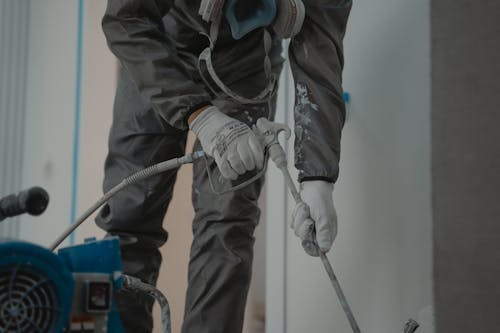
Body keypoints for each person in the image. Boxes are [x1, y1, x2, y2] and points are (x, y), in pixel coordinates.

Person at [96, 0, 351, 332]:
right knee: (128, 217)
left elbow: (320, 49)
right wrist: (200, 115)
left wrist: (318, 179)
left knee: (227, 227)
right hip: (158, 45)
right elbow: (124, 19)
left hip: (246, 62)